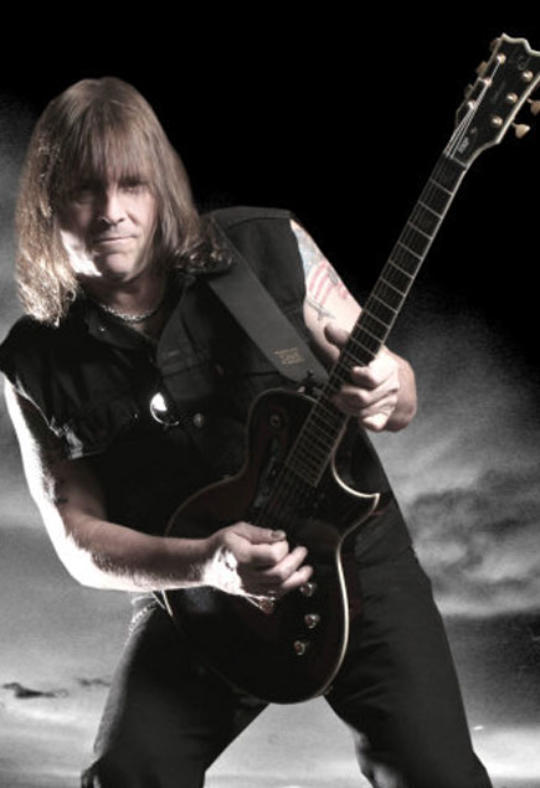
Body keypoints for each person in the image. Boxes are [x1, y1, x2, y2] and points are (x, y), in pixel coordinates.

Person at [0, 77, 492, 788]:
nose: (111, 212)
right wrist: (206, 565)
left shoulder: (268, 246)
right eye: (83, 190)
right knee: (126, 775)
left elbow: (394, 389)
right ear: (47, 202)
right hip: (200, 595)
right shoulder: (30, 361)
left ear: (161, 187)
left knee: (437, 775)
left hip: (359, 562)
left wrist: (391, 386)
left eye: (132, 185)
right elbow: (78, 539)